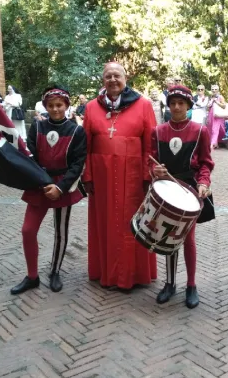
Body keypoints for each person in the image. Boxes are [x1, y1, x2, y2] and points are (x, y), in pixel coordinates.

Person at [83, 62, 158, 289]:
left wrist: (148, 176)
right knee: (105, 224)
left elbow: (151, 145)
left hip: (133, 179)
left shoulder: (143, 105)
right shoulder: (91, 108)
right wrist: (87, 176)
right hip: (102, 179)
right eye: (108, 76)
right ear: (102, 81)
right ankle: (106, 271)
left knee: (131, 224)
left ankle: (133, 275)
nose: (113, 80)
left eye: (117, 76)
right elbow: (84, 147)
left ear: (126, 79)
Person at [10, 86, 87, 295]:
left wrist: (60, 188)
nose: (55, 109)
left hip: (63, 185)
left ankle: (55, 271)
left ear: (66, 105)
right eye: (51, 105)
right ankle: (32, 276)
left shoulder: (76, 131)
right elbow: (31, 154)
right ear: (45, 106)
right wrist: (42, 181)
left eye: (59, 105)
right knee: (28, 230)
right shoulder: (37, 126)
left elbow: (78, 164)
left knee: (60, 232)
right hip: (39, 183)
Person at [151, 85, 214, 308]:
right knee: (169, 235)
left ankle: (191, 285)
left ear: (188, 105)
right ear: (168, 105)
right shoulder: (158, 131)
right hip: (167, 189)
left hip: (189, 190)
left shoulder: (200, 130)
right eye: (173, 103)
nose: (177, 107)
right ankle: (170, 283)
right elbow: (152, 160)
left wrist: (204, 182)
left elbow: (206, 162)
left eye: (181, 103)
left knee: (188, 237)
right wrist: (155, 171)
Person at [207, 84, 227, 149]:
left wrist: (217, 102)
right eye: (213, 89)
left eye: (215, 89)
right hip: (211, 114)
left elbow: (224, 106)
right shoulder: (210, 97)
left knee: (214, 129)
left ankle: (212, 144)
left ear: (218, 90)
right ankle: (216, 143)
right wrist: (209, 104)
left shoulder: (220, 97)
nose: (214, 90)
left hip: (218, 115)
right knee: (211, 129)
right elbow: (208, 108)